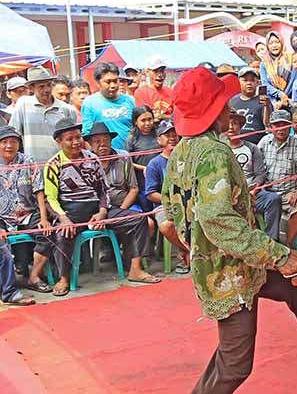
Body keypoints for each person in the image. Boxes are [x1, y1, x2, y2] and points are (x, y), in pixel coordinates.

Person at [160, 68, 297, 394]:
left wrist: (194, 248)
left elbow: (170, 217)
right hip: (227, 273)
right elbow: (218, 221)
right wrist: (273, 251)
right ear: (216, 110)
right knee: (234, 363)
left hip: (228, 261)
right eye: (225, 105)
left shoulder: (180, 153)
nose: (232, 111)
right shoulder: (214, 154)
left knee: (291, 277)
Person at [40, 118, 159, 296]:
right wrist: (64, 219)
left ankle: (135, 269)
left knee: (138, 220)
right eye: (69, 139)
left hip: (98, 209)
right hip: (71, 212)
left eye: (78, 137)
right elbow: (50, 199)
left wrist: (102, 211)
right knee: (61, 234)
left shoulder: (92, 158)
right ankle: (63, 278)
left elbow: (103, 190)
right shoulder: (53, 164)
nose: (75, 142)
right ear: (59, 142)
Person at [0, 124, 51, 294]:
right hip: (2, 218)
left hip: (28, 214)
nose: (9, 146)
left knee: (48, 233)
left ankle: (34, 277)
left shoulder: (27, 160)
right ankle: (7, 285)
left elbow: (39, 190)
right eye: (4, 142)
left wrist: (44, 218)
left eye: (13, 141)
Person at [257, 109, 297, 247]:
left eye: (284, 124)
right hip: (268, 190)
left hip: (290, 191)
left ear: (290, 126)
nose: (281, 128)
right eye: (277, 125)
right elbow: (256, 167)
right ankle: (268, 244)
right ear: (271, 127)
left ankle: (288, 245)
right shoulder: (264, 142)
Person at [143, 120, 190, 274]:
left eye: (174, 134)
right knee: (166, 226)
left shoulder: (187, 158)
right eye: (166, 135)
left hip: (189, 202)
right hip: (164, 205)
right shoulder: (154, 164)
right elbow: (150, 193)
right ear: (158, 140)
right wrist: (171, 201)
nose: (171, 137)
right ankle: (190, 251)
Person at [227, 112, 281, 242]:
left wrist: (254, 189)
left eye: (234, 123)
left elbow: (260, 174)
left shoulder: (251, 148)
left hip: (251, 193)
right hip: (227, 195)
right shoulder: (218, 148)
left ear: (240, 127)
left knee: (273, 199)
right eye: (228, 123)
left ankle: (271, 241)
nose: (231, 127)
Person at [9, 66, 77, 163]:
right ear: (31, 88)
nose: (46, 90)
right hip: (32, 168)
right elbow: (14, 134)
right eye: (41, 86)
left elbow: (73, 140)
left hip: (60, 167)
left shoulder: (67, 109)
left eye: (49, 85)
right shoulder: (23, 105)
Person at [82, 63, 135, 151]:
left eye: (115, 81)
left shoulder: (129, 101)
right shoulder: (89, 103)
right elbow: (87, 136)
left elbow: (135, 129)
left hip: (128, 156)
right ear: (98, 83)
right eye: (108, 82)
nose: (113, 85)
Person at [134, 56, 174, 121]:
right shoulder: (141, 92)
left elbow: (177, 117)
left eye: (162, 71)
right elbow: (145, 118)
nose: (160, 75)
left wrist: (162, 116)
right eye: (155, 71)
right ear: (147, 72)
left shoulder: (170, 92)